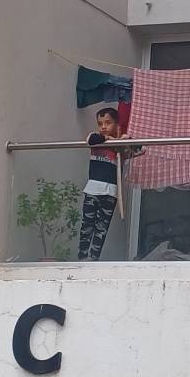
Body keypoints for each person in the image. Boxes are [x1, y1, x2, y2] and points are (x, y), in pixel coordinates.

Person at [78, 105, 123, 261]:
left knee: (101, 228)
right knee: (87, 225)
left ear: (116, 125)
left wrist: (124, 139)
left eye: (108, 123)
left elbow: (141, 149)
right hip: (93, 189)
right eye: (100, 123)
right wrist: (107, 139)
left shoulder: (120, 145)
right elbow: (91, 140)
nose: (103, 127)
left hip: (110, 191)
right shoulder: (96, 138)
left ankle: (93, 258)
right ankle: (82, 257)